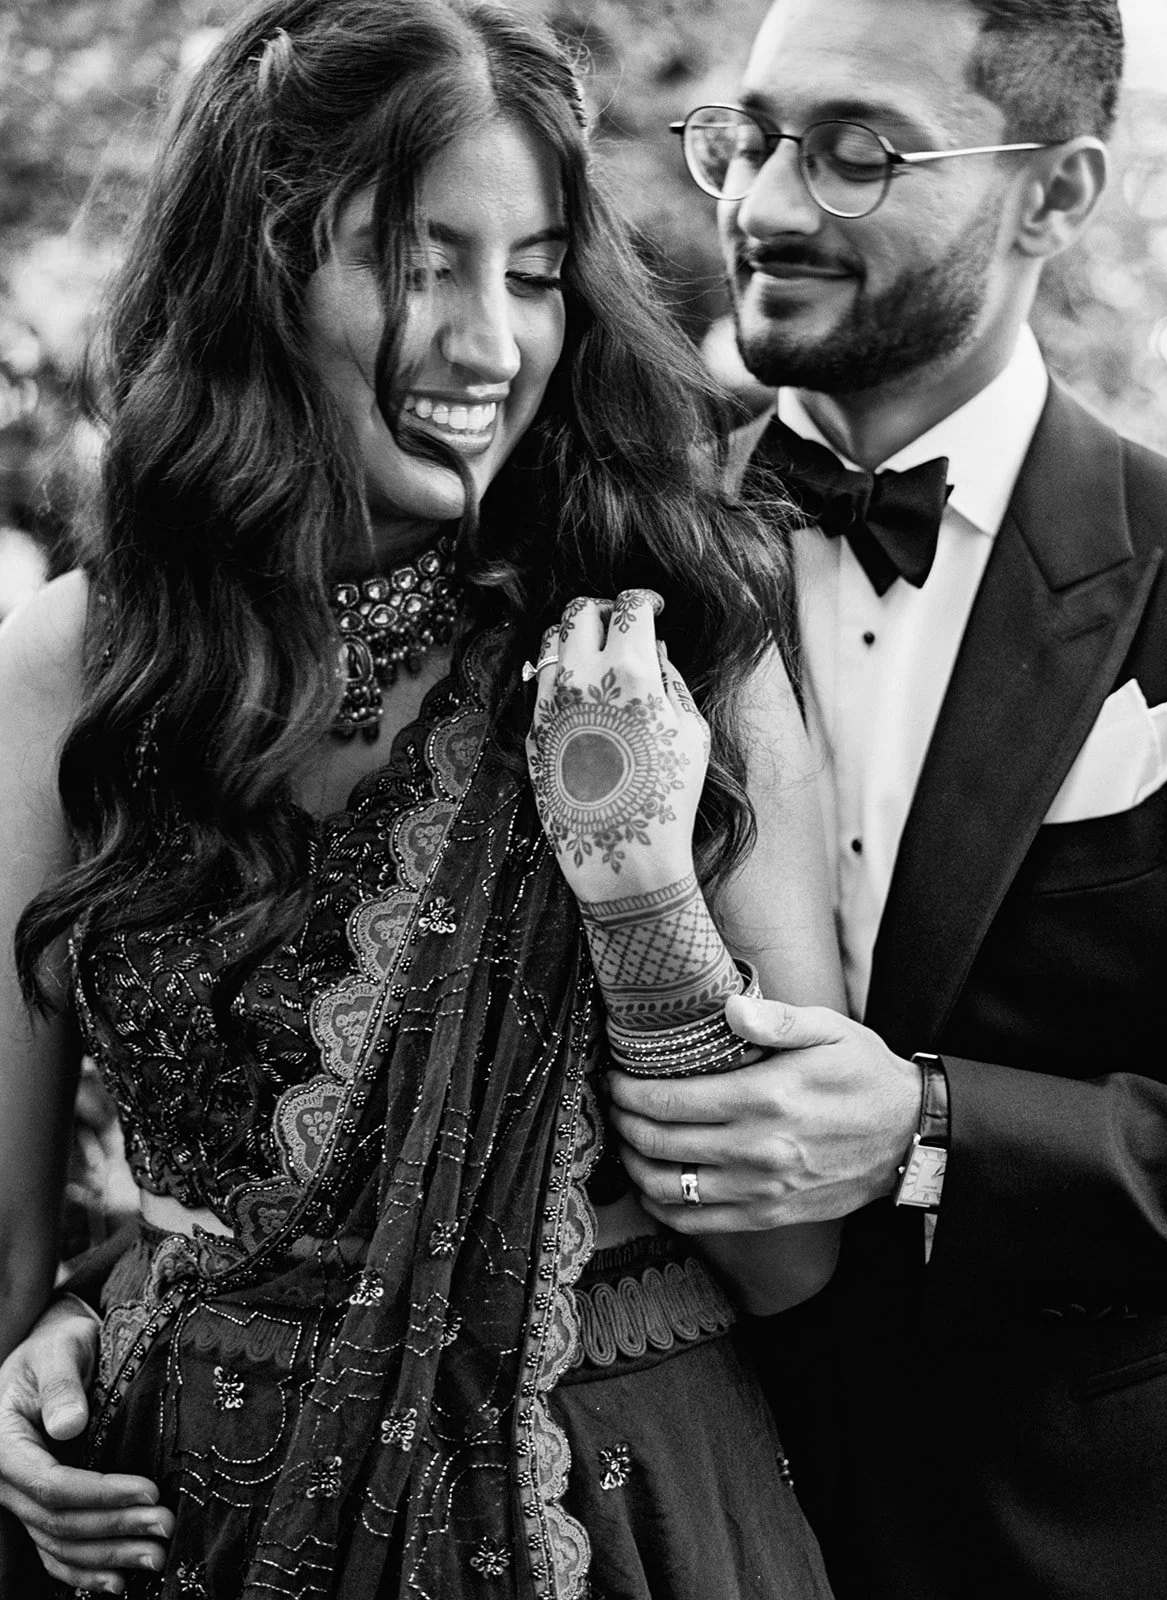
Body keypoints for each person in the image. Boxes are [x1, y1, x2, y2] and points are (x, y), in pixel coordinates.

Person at [0, 1, 847, 1594]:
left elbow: (794, 1253)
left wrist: (637, 893)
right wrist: (26, 1376)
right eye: (413, 264)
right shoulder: (82, 663)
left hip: (608, 1496)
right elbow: (5, 1260)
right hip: (178, 1513)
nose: (487, 344)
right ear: (257, 271)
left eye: (530, 275)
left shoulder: (671, 634)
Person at [604, 1, 1167, 1597]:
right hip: (647, 1511)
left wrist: (934, 1133)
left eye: (860, 153)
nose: (768, 206)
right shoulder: (604, 538)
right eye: (750, 138)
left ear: (1055, 194)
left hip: (1068, 1535)